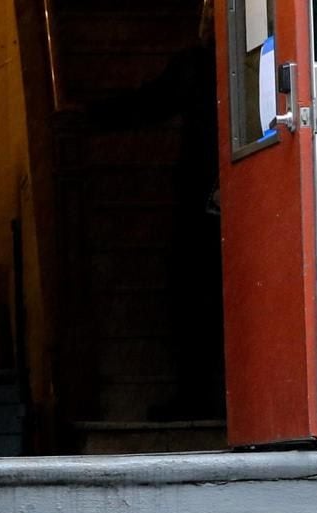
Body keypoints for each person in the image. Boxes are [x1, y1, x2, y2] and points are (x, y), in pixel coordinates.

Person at [84, 0, 225, 420]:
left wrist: (88, 117)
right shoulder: (221, 66)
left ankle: (201, 398)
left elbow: (151, 102)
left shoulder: (198, 65)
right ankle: (214, 399)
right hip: (215, 195)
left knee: (193, 296)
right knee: (203, 297)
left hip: (204, 199)